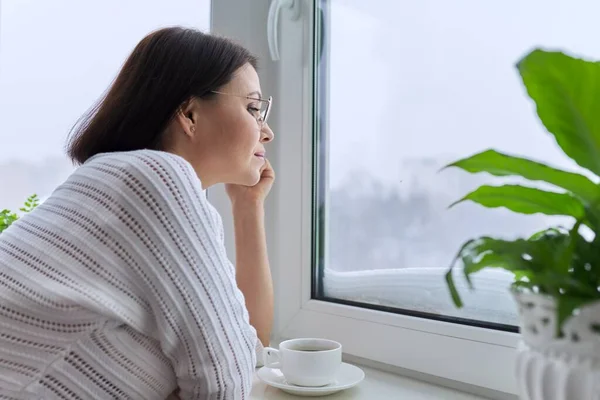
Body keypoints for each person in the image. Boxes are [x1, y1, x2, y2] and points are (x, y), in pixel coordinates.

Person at [0, 27, 274, 399]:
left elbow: (249, 346)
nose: (267, 131)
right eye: (253, 108)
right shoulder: (155, 177)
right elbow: (226, 383)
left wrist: (247, 206)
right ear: (190, 114)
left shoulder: (115, 181)